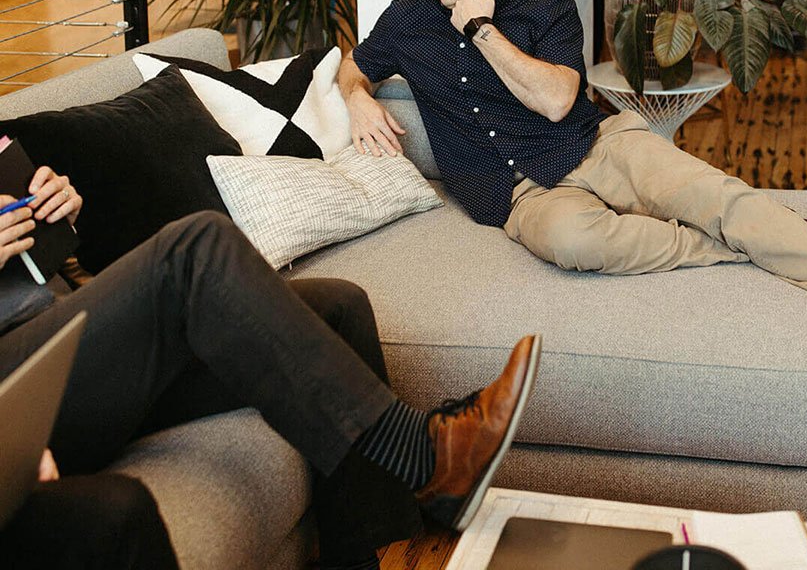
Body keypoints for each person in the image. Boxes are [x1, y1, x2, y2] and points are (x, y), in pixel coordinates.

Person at [338, 0, 807, 419]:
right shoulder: (406, 20)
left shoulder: (545, 7)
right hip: (516, 194)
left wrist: (481, 30)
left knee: (717, 197)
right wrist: (357, 97)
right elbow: (352, 65)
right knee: (576, 244)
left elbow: (555, 102)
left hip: (596, 146)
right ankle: (782, 235)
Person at [0, 165, 541, 569]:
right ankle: (424, 455)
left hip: (62, 345)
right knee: (195, 248)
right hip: (16, 381)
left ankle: (354, 560)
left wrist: (58, 217)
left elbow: (36, 276)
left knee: (337, 307)